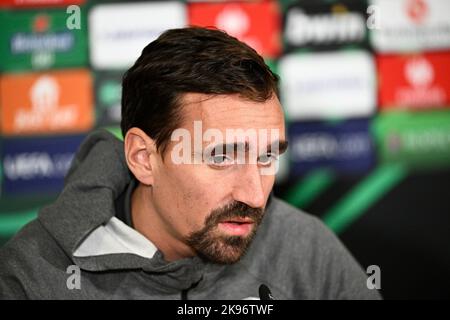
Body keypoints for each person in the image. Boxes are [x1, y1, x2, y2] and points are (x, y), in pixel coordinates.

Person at [0, 27, 380, 300]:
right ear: (143, 158)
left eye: (267, 156)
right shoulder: (32, 277)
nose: (255, 194)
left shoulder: (306, 248)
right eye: (221, 157)